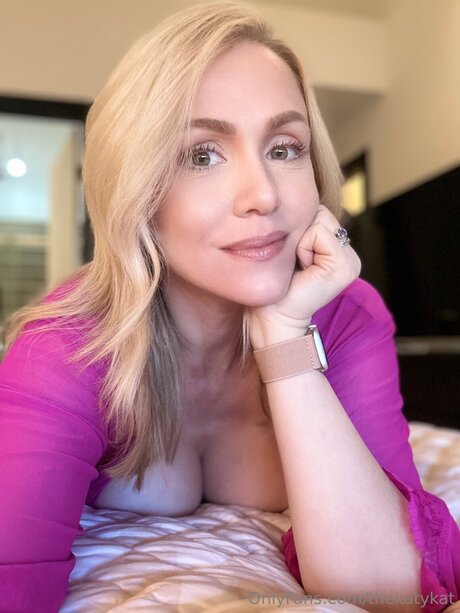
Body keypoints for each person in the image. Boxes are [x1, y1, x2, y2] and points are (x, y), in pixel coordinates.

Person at [0, 2, 459, 612]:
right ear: (137, 190)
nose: (263, 194)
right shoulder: (67, 341)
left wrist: (284, 336)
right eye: (201, 155)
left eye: (285, 148)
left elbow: (393, 589)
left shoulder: (348, 315)